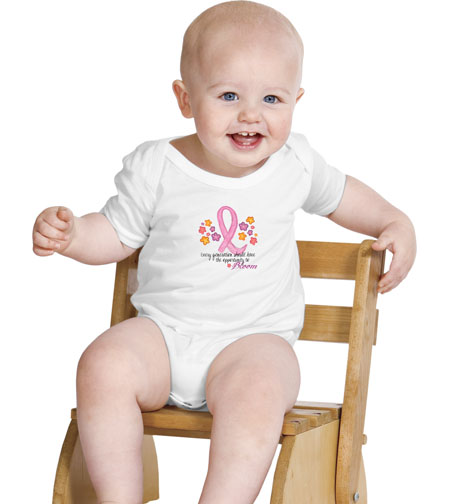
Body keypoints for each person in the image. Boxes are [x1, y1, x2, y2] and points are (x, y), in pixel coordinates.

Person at [32, 2, 416, 503]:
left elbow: (344, 197)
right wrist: (74, 236)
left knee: (259, 390)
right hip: (162, 338)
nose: (250, 115)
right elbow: (117, 233)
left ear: (296, 100)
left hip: (253, 343)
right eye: (229, 95)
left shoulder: (295, 164)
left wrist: (393, 220)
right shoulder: (157, 166)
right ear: (186, 99)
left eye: (272, 98)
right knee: (101, 363)